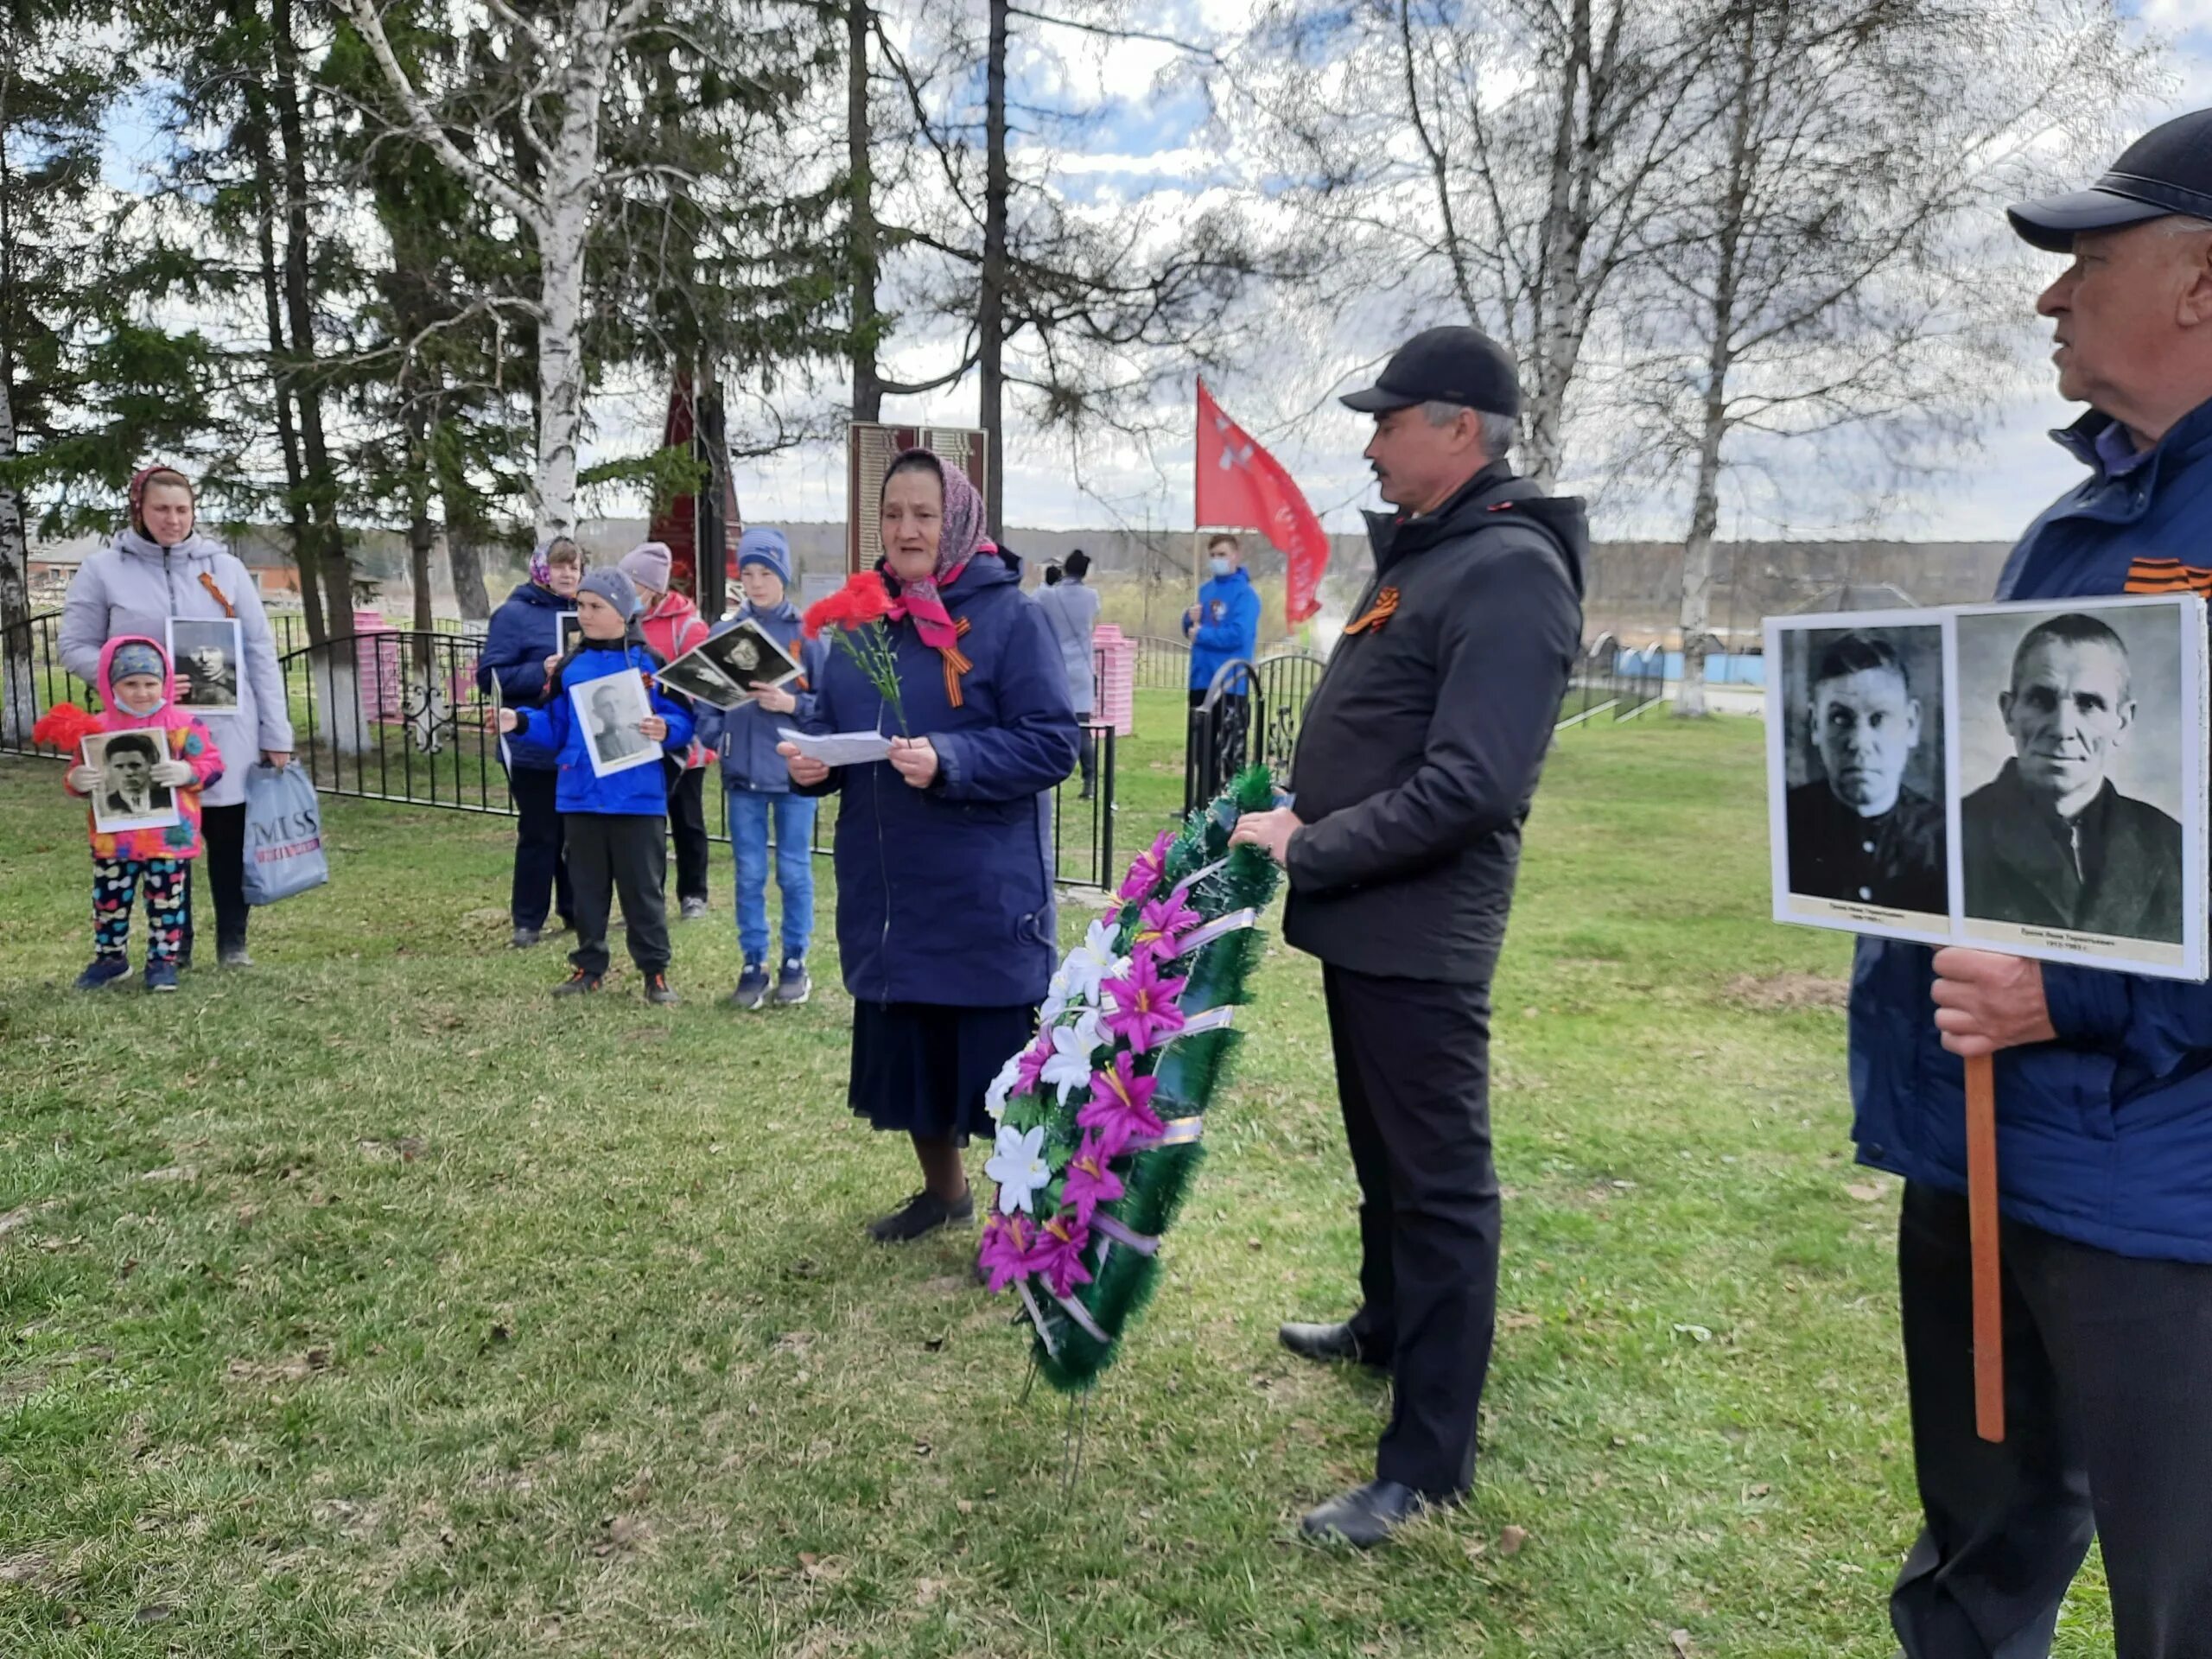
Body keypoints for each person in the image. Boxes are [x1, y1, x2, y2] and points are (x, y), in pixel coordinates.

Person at [1853, 107, 2212, 1659]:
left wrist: (2064, 990)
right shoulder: (2086, 516)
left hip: (2160, 1185)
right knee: (1981, 1549)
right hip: (1996, 1136)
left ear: (2200, 282)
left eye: (2088, 258)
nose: (2051, 296)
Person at [1230, 324, 1585, 1548]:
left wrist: (1309, 845)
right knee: (1383, 1157)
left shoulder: (1509, 569)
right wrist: (1300, 804)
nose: (1371, 445)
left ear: (1460, 431)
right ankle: (1387, 1323)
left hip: (1421, 931)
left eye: (1389, 422)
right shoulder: (1429, 560)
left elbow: (1473, 783)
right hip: (1369, 923)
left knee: (1438, 1188)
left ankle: (1428, 1461)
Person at [778, 448, 1077, 1242]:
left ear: (959, 520)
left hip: (980, 895)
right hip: (891, 893)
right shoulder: (864, 621)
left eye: (924, 513)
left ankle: (1021, 1222)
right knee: (911, 1055)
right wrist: (811, 764)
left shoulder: (1012, 618)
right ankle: (944, 1195)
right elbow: (834, 730)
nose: (906, 529)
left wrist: (955, 759)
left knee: (999, 1076)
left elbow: (1052, 745)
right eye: (892, 514)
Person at [59, 465, 294, 969]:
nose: (173, 519)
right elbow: (76, 646)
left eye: (182, 509)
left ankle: (233, 941)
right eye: (161, 509)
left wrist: (277, 730)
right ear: (139, 510)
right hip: (146, 735)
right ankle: (173, 946)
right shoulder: (103, 569)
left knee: (229, 838)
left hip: (225, 732)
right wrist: (131, 677)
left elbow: (258, 651)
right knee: (168, 842)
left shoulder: (226, 568)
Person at [496, 569, 693, 1003]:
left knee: (643, 890)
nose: (583, 614)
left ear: (622, 611)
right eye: (580, 605)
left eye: (595, 606)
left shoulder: (651, 663)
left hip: (638, 800)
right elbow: (558, 727)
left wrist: (667, 729)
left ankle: (654, 972)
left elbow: (682, 719)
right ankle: (588, 967)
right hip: (579, 797)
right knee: (587, 890)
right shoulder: (569, 666)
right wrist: (522, 721)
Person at [1959, 613, 2182, 941]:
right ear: (2009, 712)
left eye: (2089, 704)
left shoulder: (2174, 845)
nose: (2063, 729)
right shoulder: (1949, 833)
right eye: (2041, 700)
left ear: (2122, 721)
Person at [695, 527, 823, 1011]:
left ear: (783, 576)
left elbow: (827, 705)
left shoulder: (807, 635)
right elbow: (705, 699)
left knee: (793, 871)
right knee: (748, 874)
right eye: (747, 573)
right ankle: (753, 963)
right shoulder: (725, 632)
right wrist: (715, 738)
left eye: (765, 572)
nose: (755, 582)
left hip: (793, 773)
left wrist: (790, 702)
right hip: (742, 773)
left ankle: (795, 961)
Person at [61, 638, 224, 993]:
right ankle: (111, 959)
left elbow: (212, 765)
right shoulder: (96, 730)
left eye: (150, 683)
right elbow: (77, 773)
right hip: (113, 840)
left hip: (169, 839)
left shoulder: (184, 725)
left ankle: (163, 962)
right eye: (130, 683)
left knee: (167, 902)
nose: (141, 692)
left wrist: (186, 773)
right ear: (110, 683)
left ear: (164, 682)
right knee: (109, 902)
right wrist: (77, 780)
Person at [1785, 632, 1947, 913]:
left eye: (1879, 719)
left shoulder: (1943, 835)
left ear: (1911, 724)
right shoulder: (1788, 819)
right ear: (1814, 725)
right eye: (1840, 718)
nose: (1860, 743)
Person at [477, 538, 582, 949]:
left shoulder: (587, 612)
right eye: (560, 567)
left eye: (575, 567)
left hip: (573, 741)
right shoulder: (514, 615)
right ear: (541, 568)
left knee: (576, 832)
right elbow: (491, 678)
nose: (568, 574)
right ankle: (528, 920)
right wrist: (540, 669)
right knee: (540, 832)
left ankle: (576, 910)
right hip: (528, 742)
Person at [620, 541, 714, 921]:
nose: (625, 588)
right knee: (648, 825)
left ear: (651, 587)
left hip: (682, 746)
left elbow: (702, 685)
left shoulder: (689, 627)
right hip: (641, 741)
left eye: (631, 581)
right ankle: (647, 895)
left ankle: (693, 894)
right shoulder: (624, 621)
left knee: (687, 820)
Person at [1035, 546, 1103, 798]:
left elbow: (1032, 602)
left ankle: (1049, 777)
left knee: (1052, 725)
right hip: (1082, 669)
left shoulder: (1050, 596)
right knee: (1083, 729)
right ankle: (1089, 783)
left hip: (1055, 667)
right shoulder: (1091, 596)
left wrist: (1048, 583)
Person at [99, 733, 165, 818]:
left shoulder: (169, 799)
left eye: (135, 765)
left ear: (151, 765)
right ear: (109, 768)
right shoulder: (106, 805)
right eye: (119, 766)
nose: (128, 773)